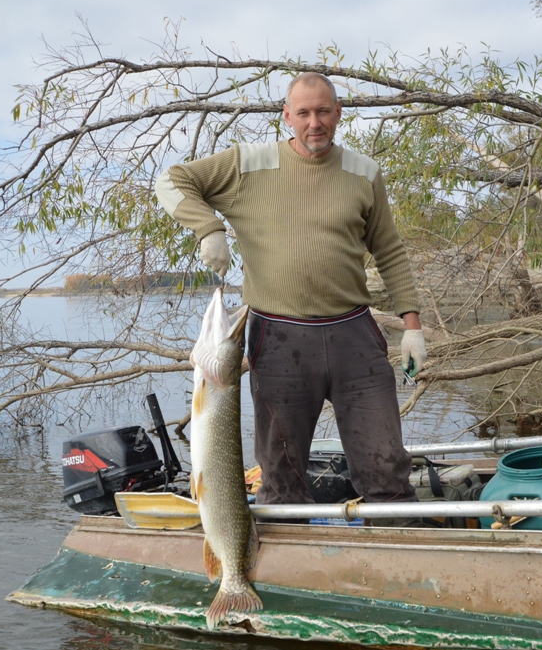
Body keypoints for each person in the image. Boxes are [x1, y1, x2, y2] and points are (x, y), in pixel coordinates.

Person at [155, 72, 426, 519]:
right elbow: (172, 180)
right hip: (279, 341)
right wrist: (209, 229)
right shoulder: (247, 164)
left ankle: (397, 551)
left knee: (386, 467)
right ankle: (281, 565)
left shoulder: (364, 173)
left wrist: (413, 327)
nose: (314, 122)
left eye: (323, 111)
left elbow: (390, 250)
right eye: (303, 112)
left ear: (339, 114)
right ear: (287, 116)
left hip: (354, 336)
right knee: (281, 478)